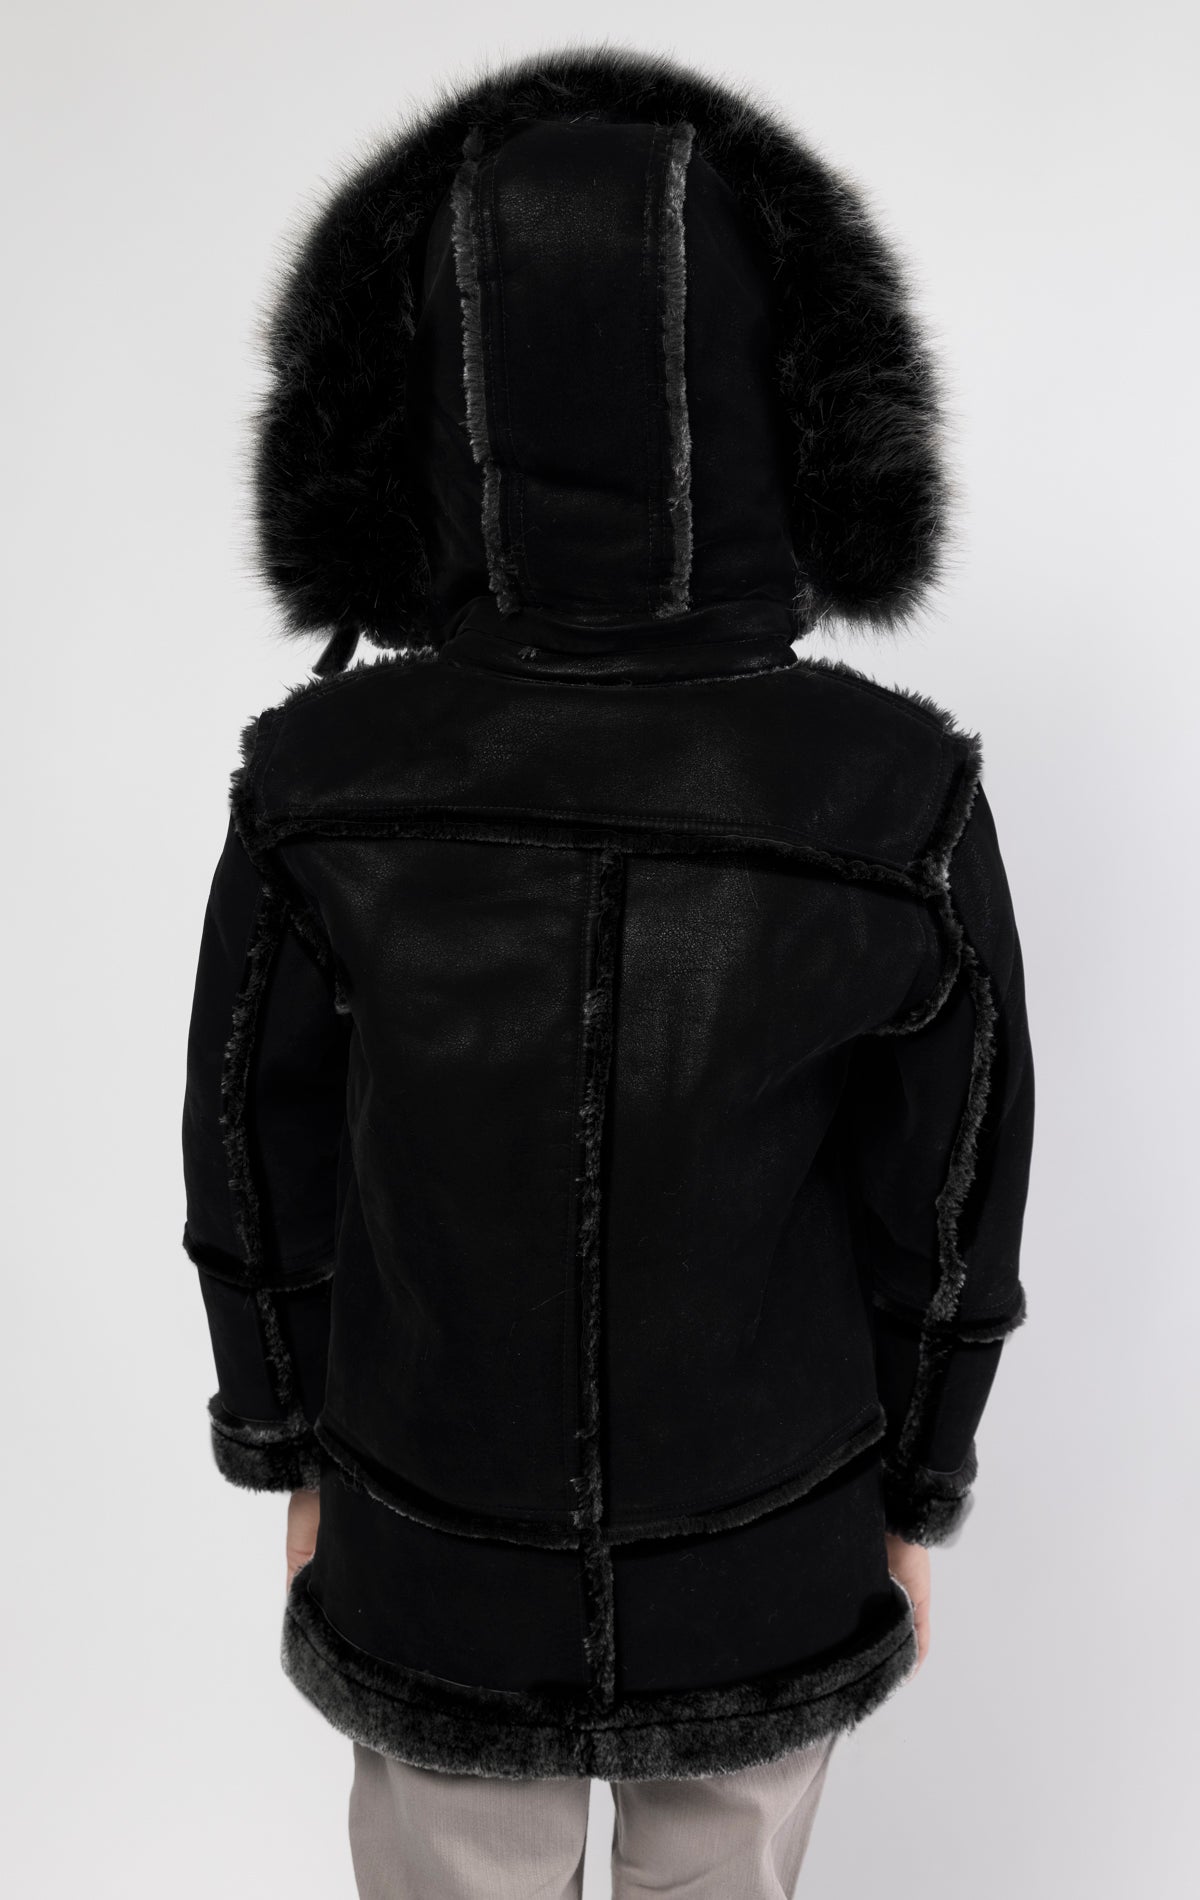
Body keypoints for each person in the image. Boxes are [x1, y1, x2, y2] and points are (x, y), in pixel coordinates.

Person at [180, 44, 1036, 1900]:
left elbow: (253, 1160)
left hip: (428, 1529)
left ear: (413, 402)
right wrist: (919, 1484)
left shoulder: (323, 779)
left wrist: (288, 1448)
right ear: (792, 398)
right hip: (771, 1532)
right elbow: (951, 1198)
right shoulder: (889, 791)